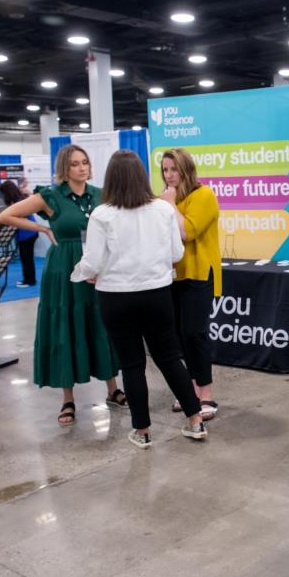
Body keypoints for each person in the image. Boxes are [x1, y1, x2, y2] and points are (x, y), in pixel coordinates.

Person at [71, 150, 207, 449]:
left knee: (132, 364)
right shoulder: (162, 210)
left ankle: (143, 431)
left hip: (115, 297)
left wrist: (84, 274)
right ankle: (195, 420)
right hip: (157, 294)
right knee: (169, 357)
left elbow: (92, 261)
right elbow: (176, 254)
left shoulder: (102, 214)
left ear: (111, 178)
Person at [0, 144, 124, 426]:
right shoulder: (50, 196)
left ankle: (113, 389)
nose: (82, 168)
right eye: (75, 164)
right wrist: (41, 228)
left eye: (85, 162)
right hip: (63, 269)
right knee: (65, 324)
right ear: (64, 169)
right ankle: (68, 399)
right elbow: (6, 215)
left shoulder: (100, 195)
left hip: (96, 267)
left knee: (98, 323)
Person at [159, 148, 222, 420]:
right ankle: (190, 391)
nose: (169, 175)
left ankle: (205, 394)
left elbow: (187, 232)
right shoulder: (164, 199)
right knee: (180, 336)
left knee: (196, 333)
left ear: (185, 170)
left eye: (174, 169)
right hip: (172, 275)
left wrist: (170, 205)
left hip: (198, 273)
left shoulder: (204, 195)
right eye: (164, 170)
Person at [0, 180, 38, 287]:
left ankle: (29, 280)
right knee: (26, 257)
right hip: (29, 232)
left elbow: (21, 217)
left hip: (27, 233)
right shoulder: (20, 199)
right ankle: (29, 279)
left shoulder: (17, 202)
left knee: (26, 258)